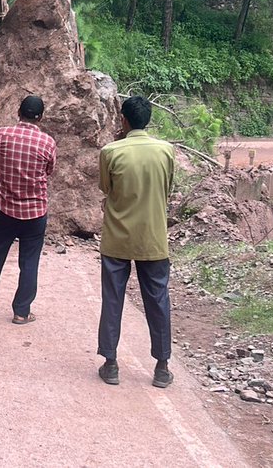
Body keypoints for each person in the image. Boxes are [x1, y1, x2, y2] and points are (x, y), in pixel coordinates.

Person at [96, 96, 176, 388]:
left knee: (113, 299)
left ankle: (111, 363)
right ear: (149, 120)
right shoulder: (166, 151)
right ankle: (162, 367)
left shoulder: (111, 151)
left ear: (123, 120)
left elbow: (106, 188)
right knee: (157, 300)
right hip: (153, 238)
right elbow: (167, 189)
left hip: (117, 238)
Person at [0, 95, 57, 324]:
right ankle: (21, 311)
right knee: (29, 262)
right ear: (41, 117)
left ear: (18, 112)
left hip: (5, 209)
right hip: (35, 213)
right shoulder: (48, 143)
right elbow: (49, 170)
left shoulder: (2, 135)